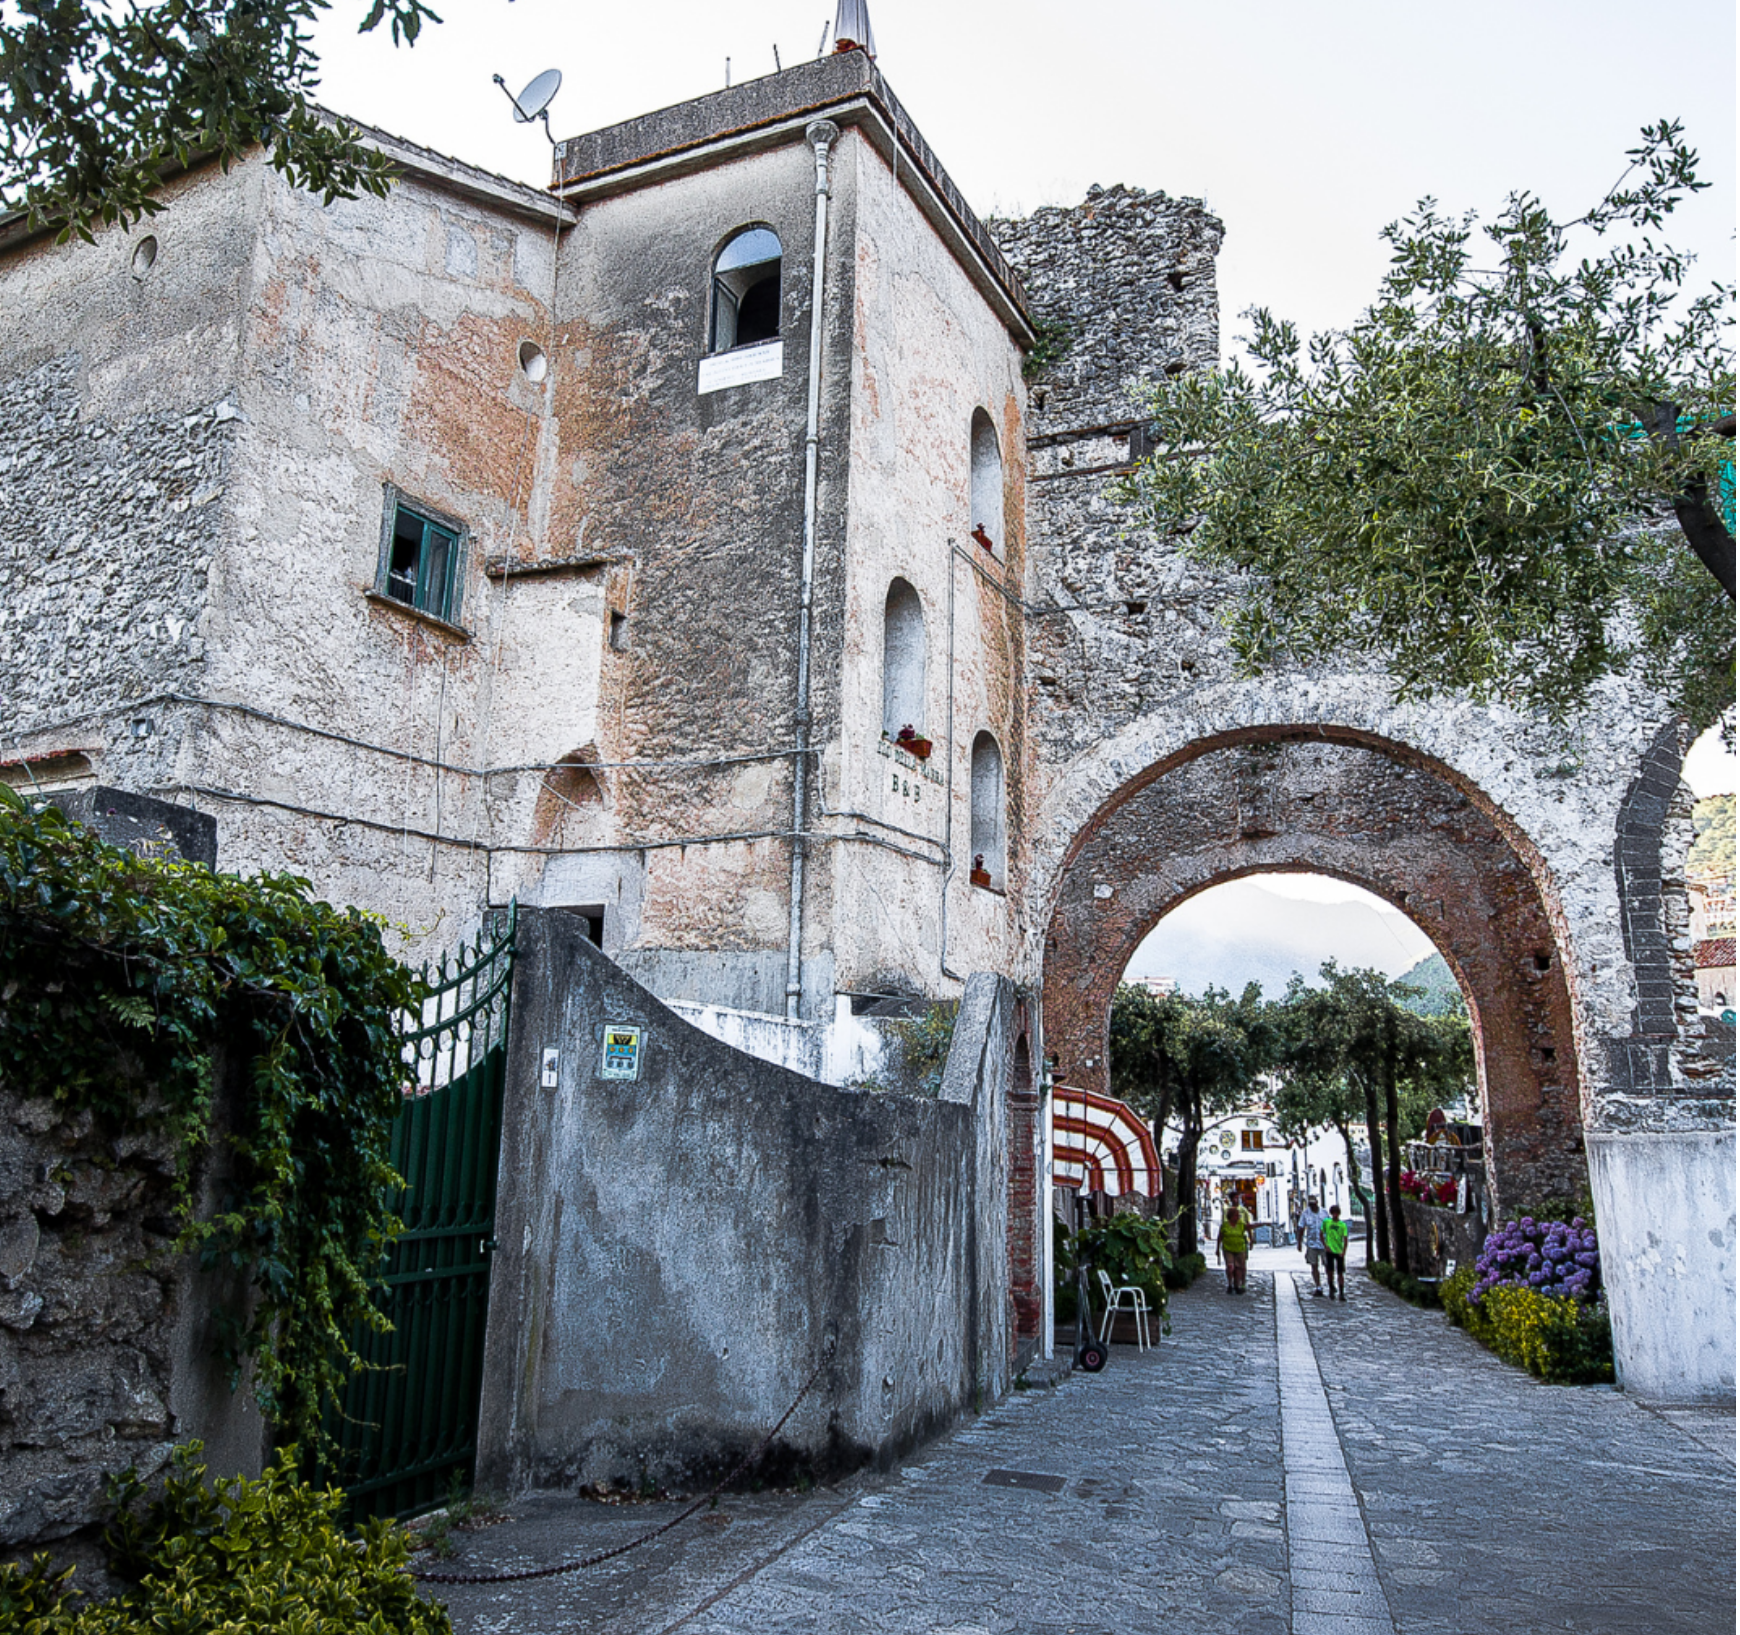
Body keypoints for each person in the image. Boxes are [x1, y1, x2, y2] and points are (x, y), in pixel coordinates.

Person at [1217, 1198, 1250, 1294]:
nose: (1238, 1217)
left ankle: (1238, 1285)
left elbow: (1249, 1227)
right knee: (1230, 1267)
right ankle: (1230, 1284)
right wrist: (1217, 1249)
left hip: (1240, 1248)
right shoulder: (1225, 1225)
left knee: (1239, 1267)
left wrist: (1264, 1224)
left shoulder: (1241, 1224)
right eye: (1236, 1216)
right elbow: (1220, 1237)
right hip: (1228, 1248)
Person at [1297, 1194, 1328, 1296]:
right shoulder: (1305, 1213)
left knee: (1328, 1265)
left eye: (1313, 1204)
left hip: (1324, 1243)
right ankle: (1318, 1286)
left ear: (1317, 1203)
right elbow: (1301, 1228)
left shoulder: (1324, 1213)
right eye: (1310, 1204)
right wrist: (1299, 1242)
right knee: (1314, 1266)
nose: (1312, 1206)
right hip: (1311, 1243)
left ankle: (1331, 1284)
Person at [1322, 1204, 1349, 1301]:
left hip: (1339, 1250)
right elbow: (1321, 1233)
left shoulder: (1342, 1225)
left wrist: (1344, 1251)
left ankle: (1341, 1292)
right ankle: (1331, 1288)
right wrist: (1326, 1245)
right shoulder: (1327, 1222)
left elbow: (1345, 1239)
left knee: (1340, 1272)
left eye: (1336, 1213)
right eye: (1333, 1213)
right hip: (1330, 1250)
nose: (1335, 1215)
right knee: (1330, 1271)